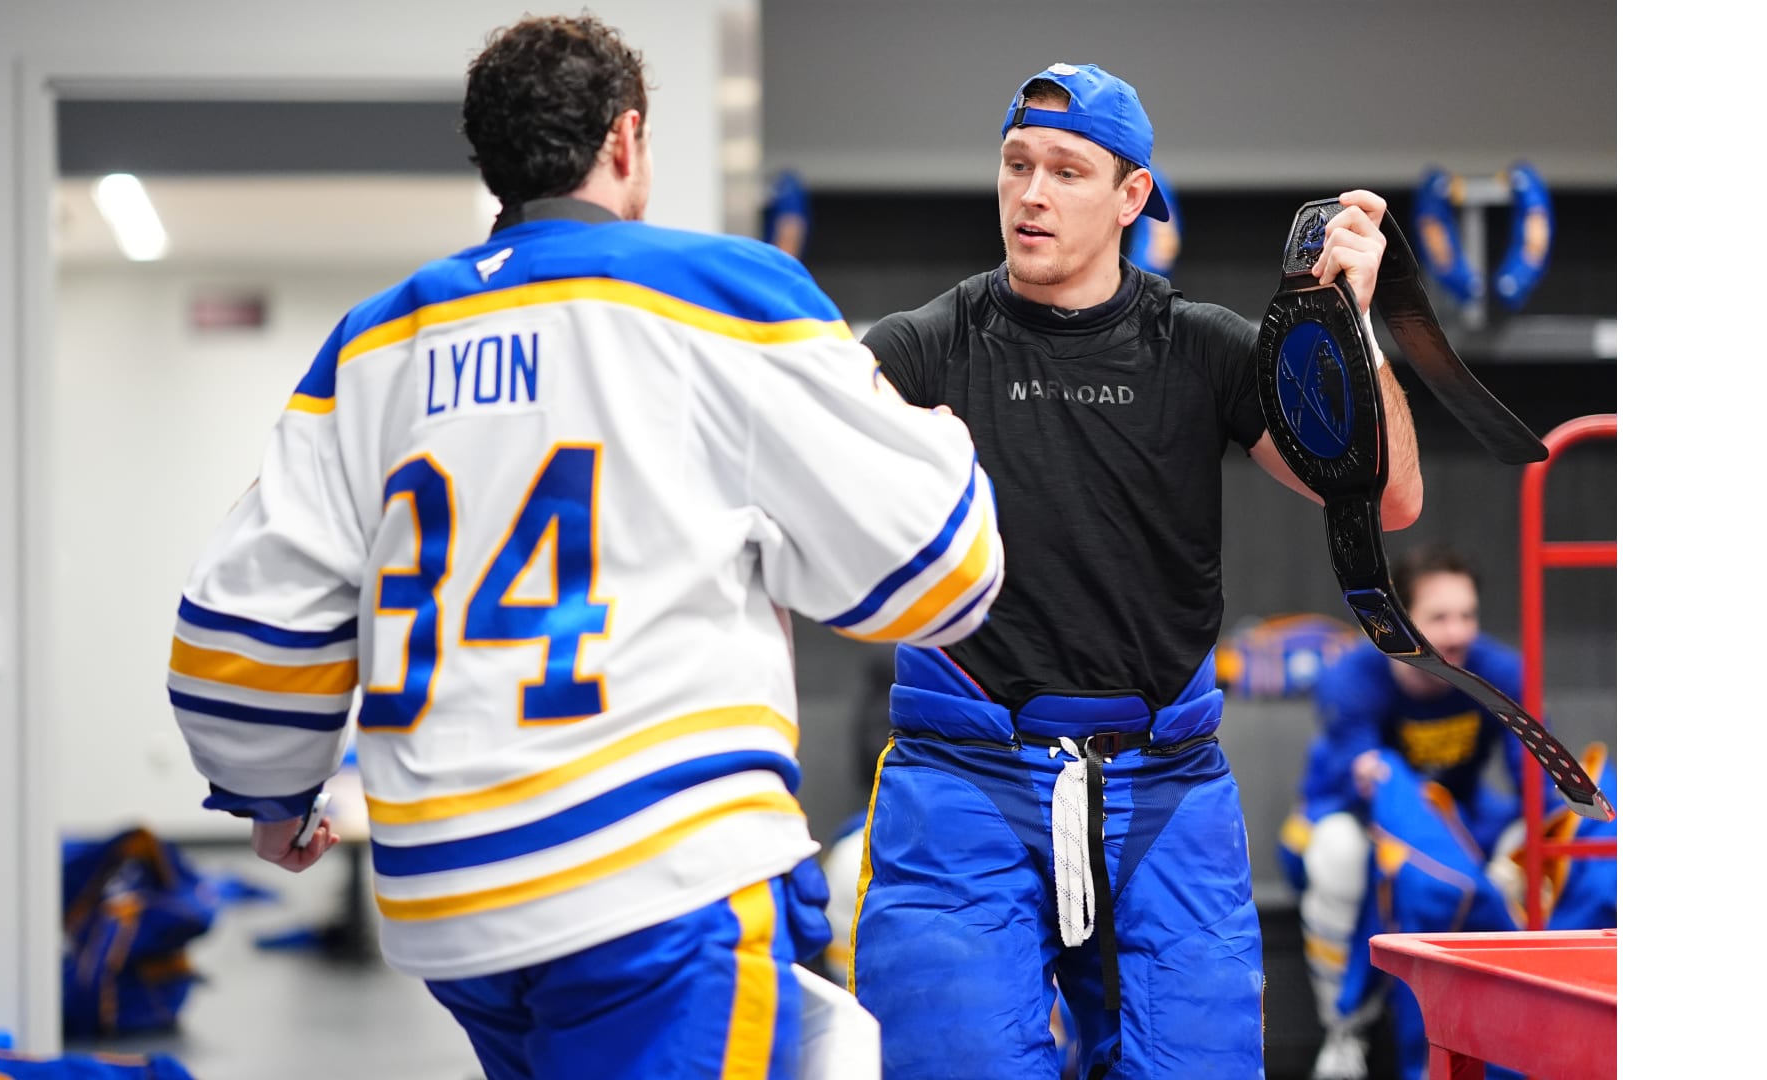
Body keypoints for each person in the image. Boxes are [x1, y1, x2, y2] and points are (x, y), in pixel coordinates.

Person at [164, 15, 1004, 1079]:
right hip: (656, 876)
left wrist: (274, 791)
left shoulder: (375, 342)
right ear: (627, 139)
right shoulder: (715, 297)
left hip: (453, 902)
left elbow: (240, 632)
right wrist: (940, 438)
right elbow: (941, 567)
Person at [846, 62, 1424, 1079]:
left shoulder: (1200, 350)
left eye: (1067, 171)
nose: (1031, 193)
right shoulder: (925, 349)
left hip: (1165, 788)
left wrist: (1354, 327)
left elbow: (1390, 499)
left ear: (1132, 197)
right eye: (1017, 165)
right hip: (965, 784)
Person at [1281, 547, 1612, 1080]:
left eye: (1467, 615)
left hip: (1458, 815)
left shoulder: (1498, 670)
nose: (1457, 632)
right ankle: (1344, 1028)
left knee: (1533, 840)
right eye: (1439, 617)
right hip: (1355, 817)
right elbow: (1370, 784)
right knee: (1338, 855)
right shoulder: (1353, 676)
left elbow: (1532, 781)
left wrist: (1550, 832)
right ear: (1397, 620)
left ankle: (1509, 1021)